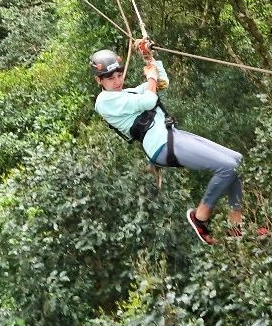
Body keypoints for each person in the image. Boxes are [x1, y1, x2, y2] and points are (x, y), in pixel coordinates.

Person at [90, 48, 243, 245]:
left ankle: (236, 226)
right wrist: (151, 78)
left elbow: (161, 82)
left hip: (171, 136)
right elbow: (149, 99)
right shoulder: (105, 102)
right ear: (99, 81)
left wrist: (148, 58)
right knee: (228, 167)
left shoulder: (126, 93)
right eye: (110, 78)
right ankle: (200, 218)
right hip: (161, 144)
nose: (117, 81)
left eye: (119, 75)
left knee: (237, 161)